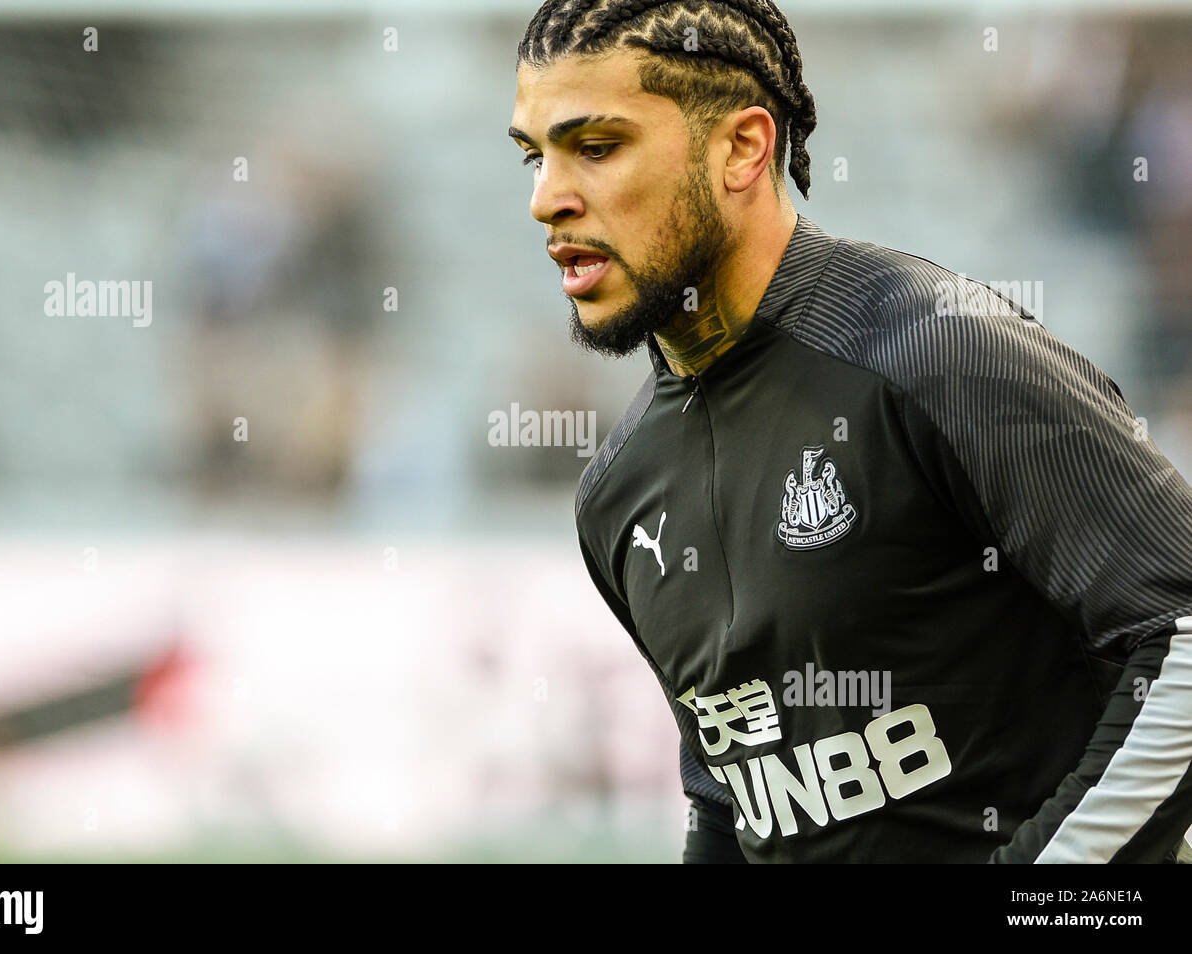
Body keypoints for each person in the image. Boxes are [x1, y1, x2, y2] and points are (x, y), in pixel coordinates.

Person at [508, 0, 1192, 863]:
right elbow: (732, 807)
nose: (546, 201)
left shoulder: (942, 353)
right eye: (535, 158)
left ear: (744, 148)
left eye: (596, 148)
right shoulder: (617, 494)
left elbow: (1182, 631)